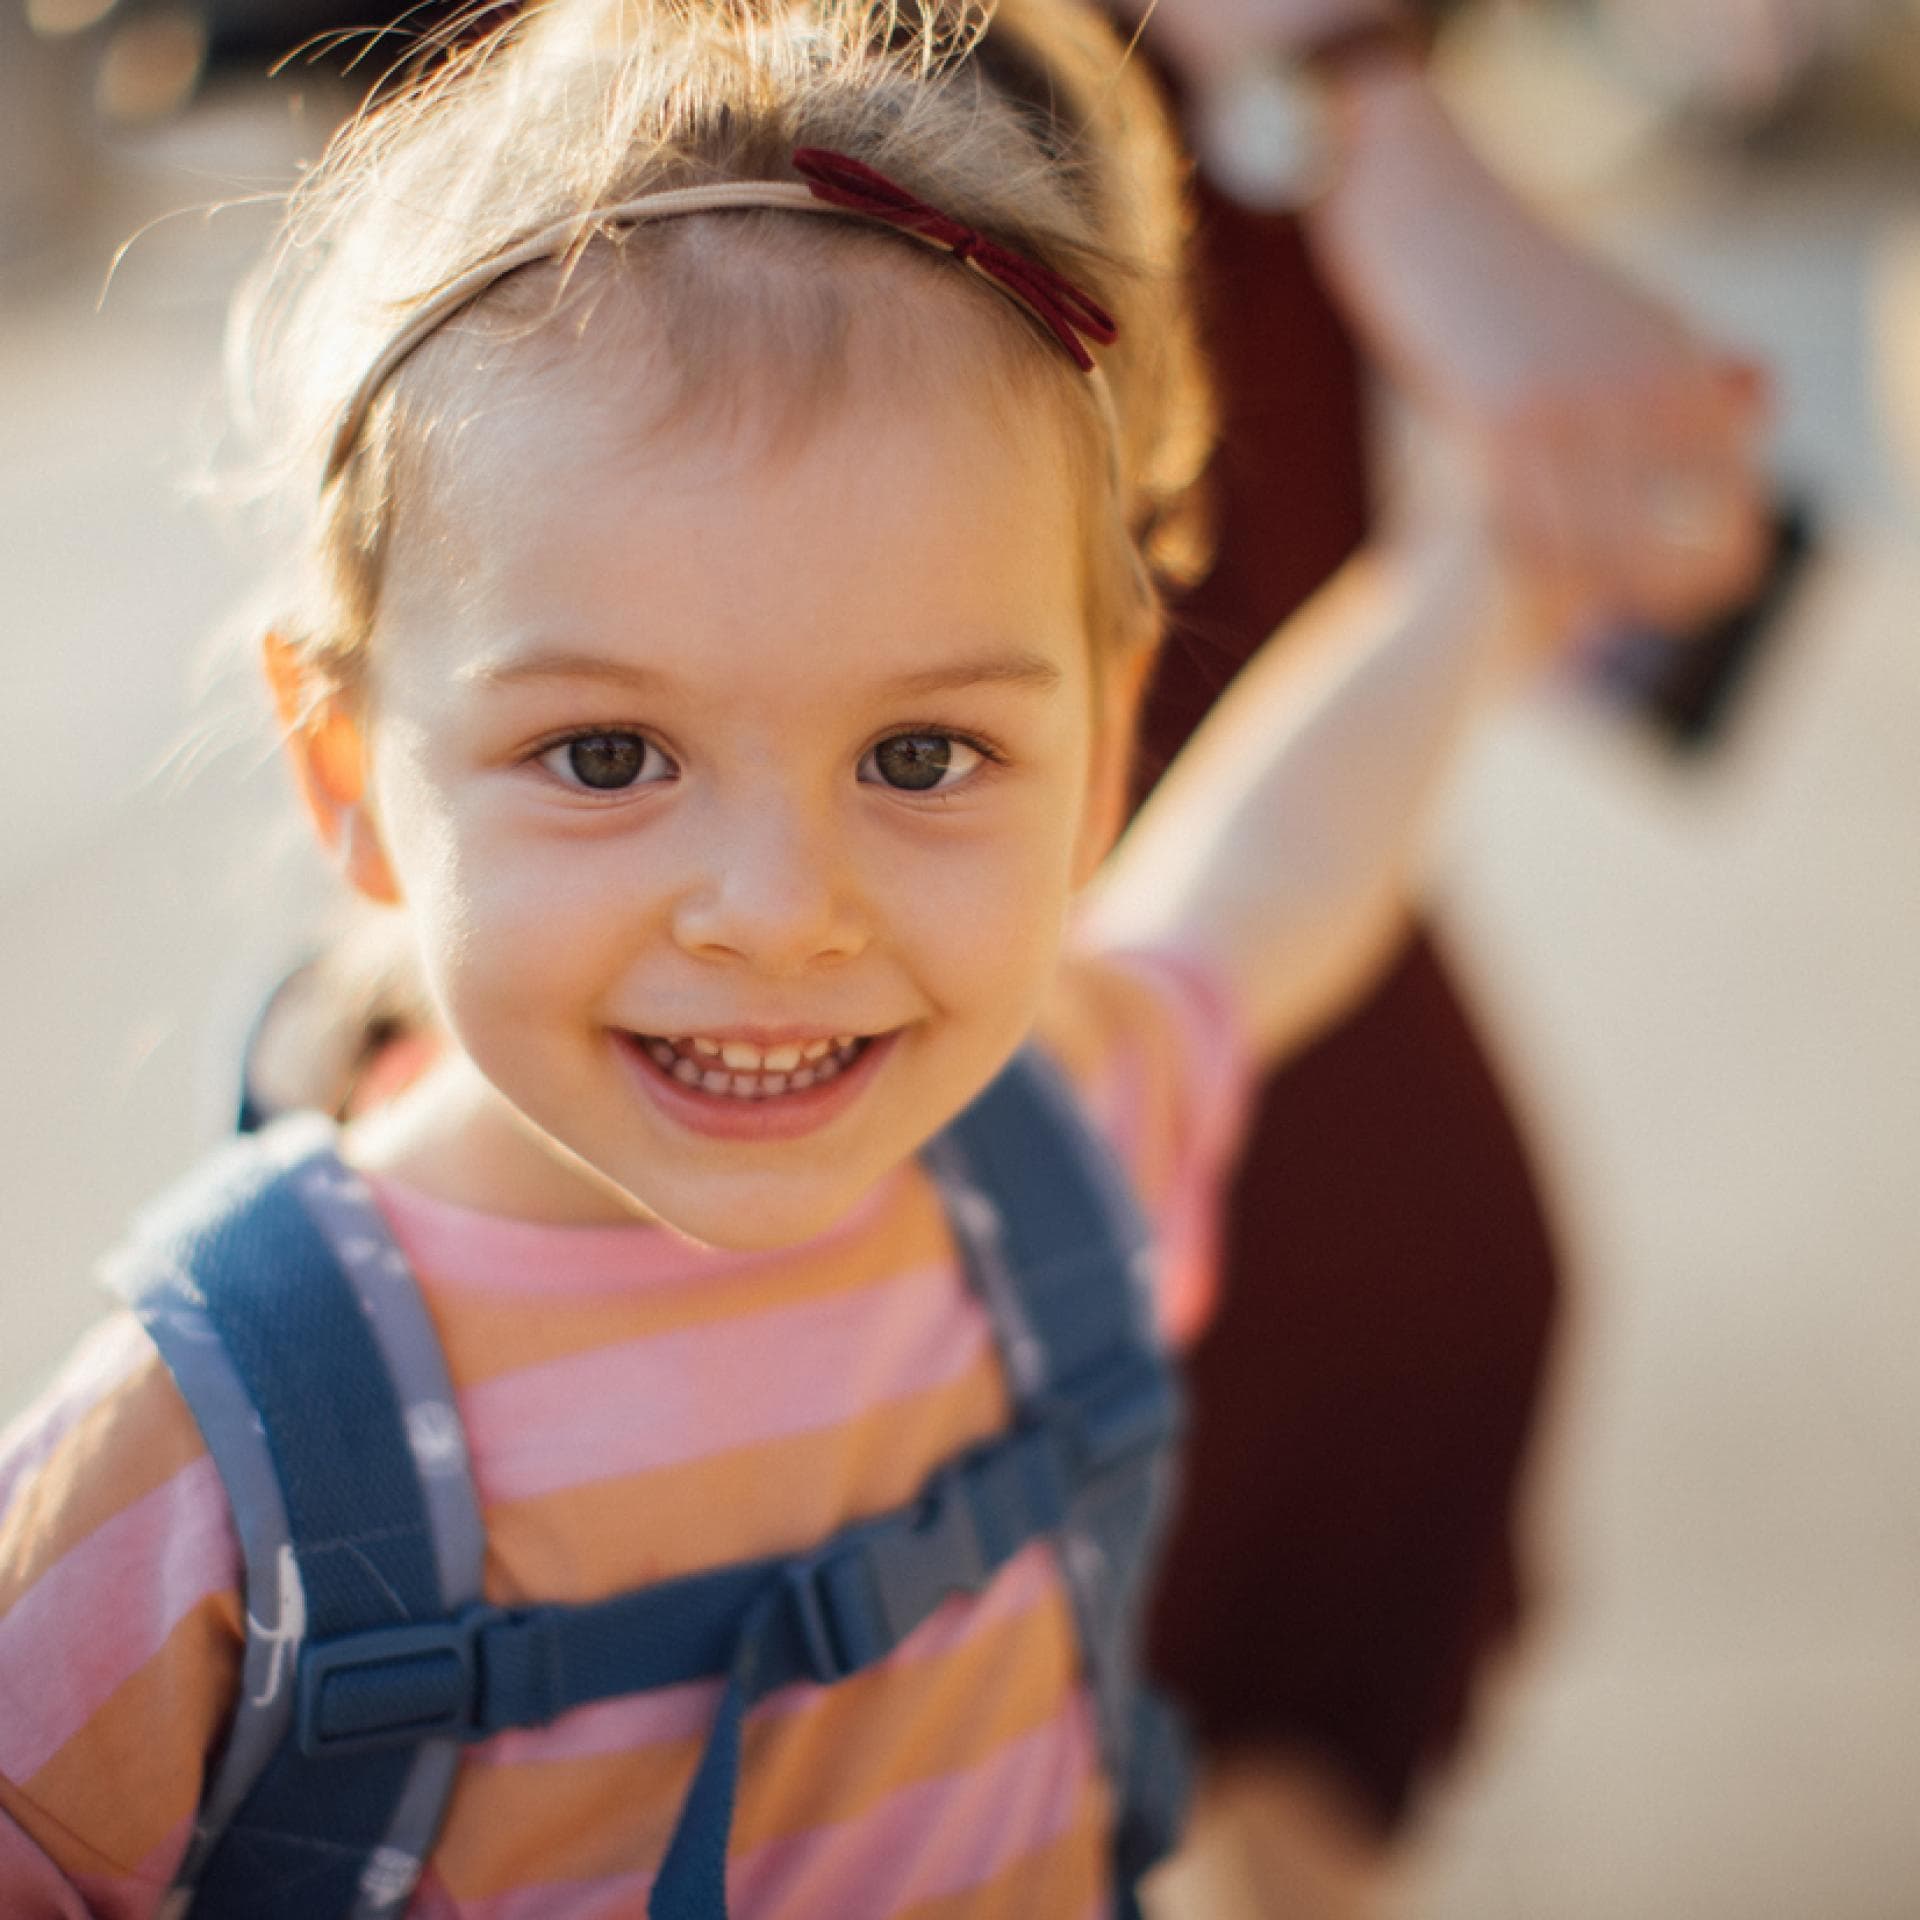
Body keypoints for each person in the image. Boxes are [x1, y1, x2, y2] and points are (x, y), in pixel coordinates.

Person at [0, 2, 1558, 1915]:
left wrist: (1512, 563)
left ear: (1099, 758)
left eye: (922, 757)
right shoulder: (194, 1467)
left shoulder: (1046, 1162)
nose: (779, 909)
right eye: (606, 757)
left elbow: (1285, 869)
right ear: (348, 773)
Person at [1110, 1, 1773, 1906]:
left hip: (1186, 188)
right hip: (998, 169)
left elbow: (1246, 915)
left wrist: (1489, 569)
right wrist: (1362, 113)